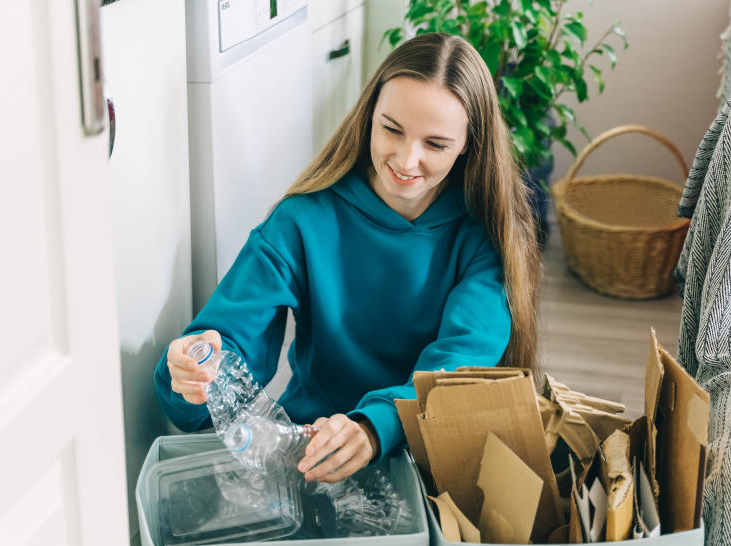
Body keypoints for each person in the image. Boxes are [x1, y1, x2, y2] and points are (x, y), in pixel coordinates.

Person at [154, 32, 539, 484]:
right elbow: (228, 345)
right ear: (368, 115)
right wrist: (191, 376)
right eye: (391, 129)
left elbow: (456, 368)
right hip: (311, 458)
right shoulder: (300, 221)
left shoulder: (484, 239)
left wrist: (375, 427)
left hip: (434, 464)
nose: (407, 158)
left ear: (468, 145)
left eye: (435, 144)